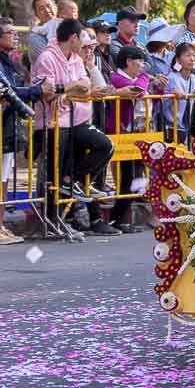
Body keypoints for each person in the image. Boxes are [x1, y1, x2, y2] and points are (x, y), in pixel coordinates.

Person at [31, 19, 119, 237]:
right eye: (83, 39)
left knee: (104, 146)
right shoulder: (47, 58)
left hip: (76, 120)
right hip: (52, 124)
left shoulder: (76, 60)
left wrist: (66, 92)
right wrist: (71, 88)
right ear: (73, 38)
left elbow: (86, 86)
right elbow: (46, 91)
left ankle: (74, 181)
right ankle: (52, 222)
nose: (85, 45)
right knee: (54, 175)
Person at [0, 18, 53, 244]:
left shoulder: (8, 60)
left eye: (15, 32)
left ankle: (0, 225)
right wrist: (35, 90)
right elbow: (7, 90)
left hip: (9, 125)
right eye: (10, 33)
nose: (15, 36)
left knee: (2, 179)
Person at [108, 45, 150, 233]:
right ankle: (119, 219)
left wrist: (144, 79)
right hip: (121, 132)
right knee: (126, 177)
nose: (142, 65)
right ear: (128, 61)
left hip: (138, 131)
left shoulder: (135, 77)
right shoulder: (116, 78)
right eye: (139, 61)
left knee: (137, 175)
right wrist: (145, 79)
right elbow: (138, 90)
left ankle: (124, 218)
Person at [164, 42, 195, 143]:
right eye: (187, 55)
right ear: (178, 60)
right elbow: (163, 102)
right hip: (171, 126)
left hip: (186, 126)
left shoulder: (194, 79)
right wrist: (172, 93)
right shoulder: (171, 77)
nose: (192, 59)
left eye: (194, 55)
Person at [26, 0, 57, 64]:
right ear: (36, 15)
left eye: (49, 6)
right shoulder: (35, 38)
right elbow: (51, 62)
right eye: (41, 9)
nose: (47, 10)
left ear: (55, 7)